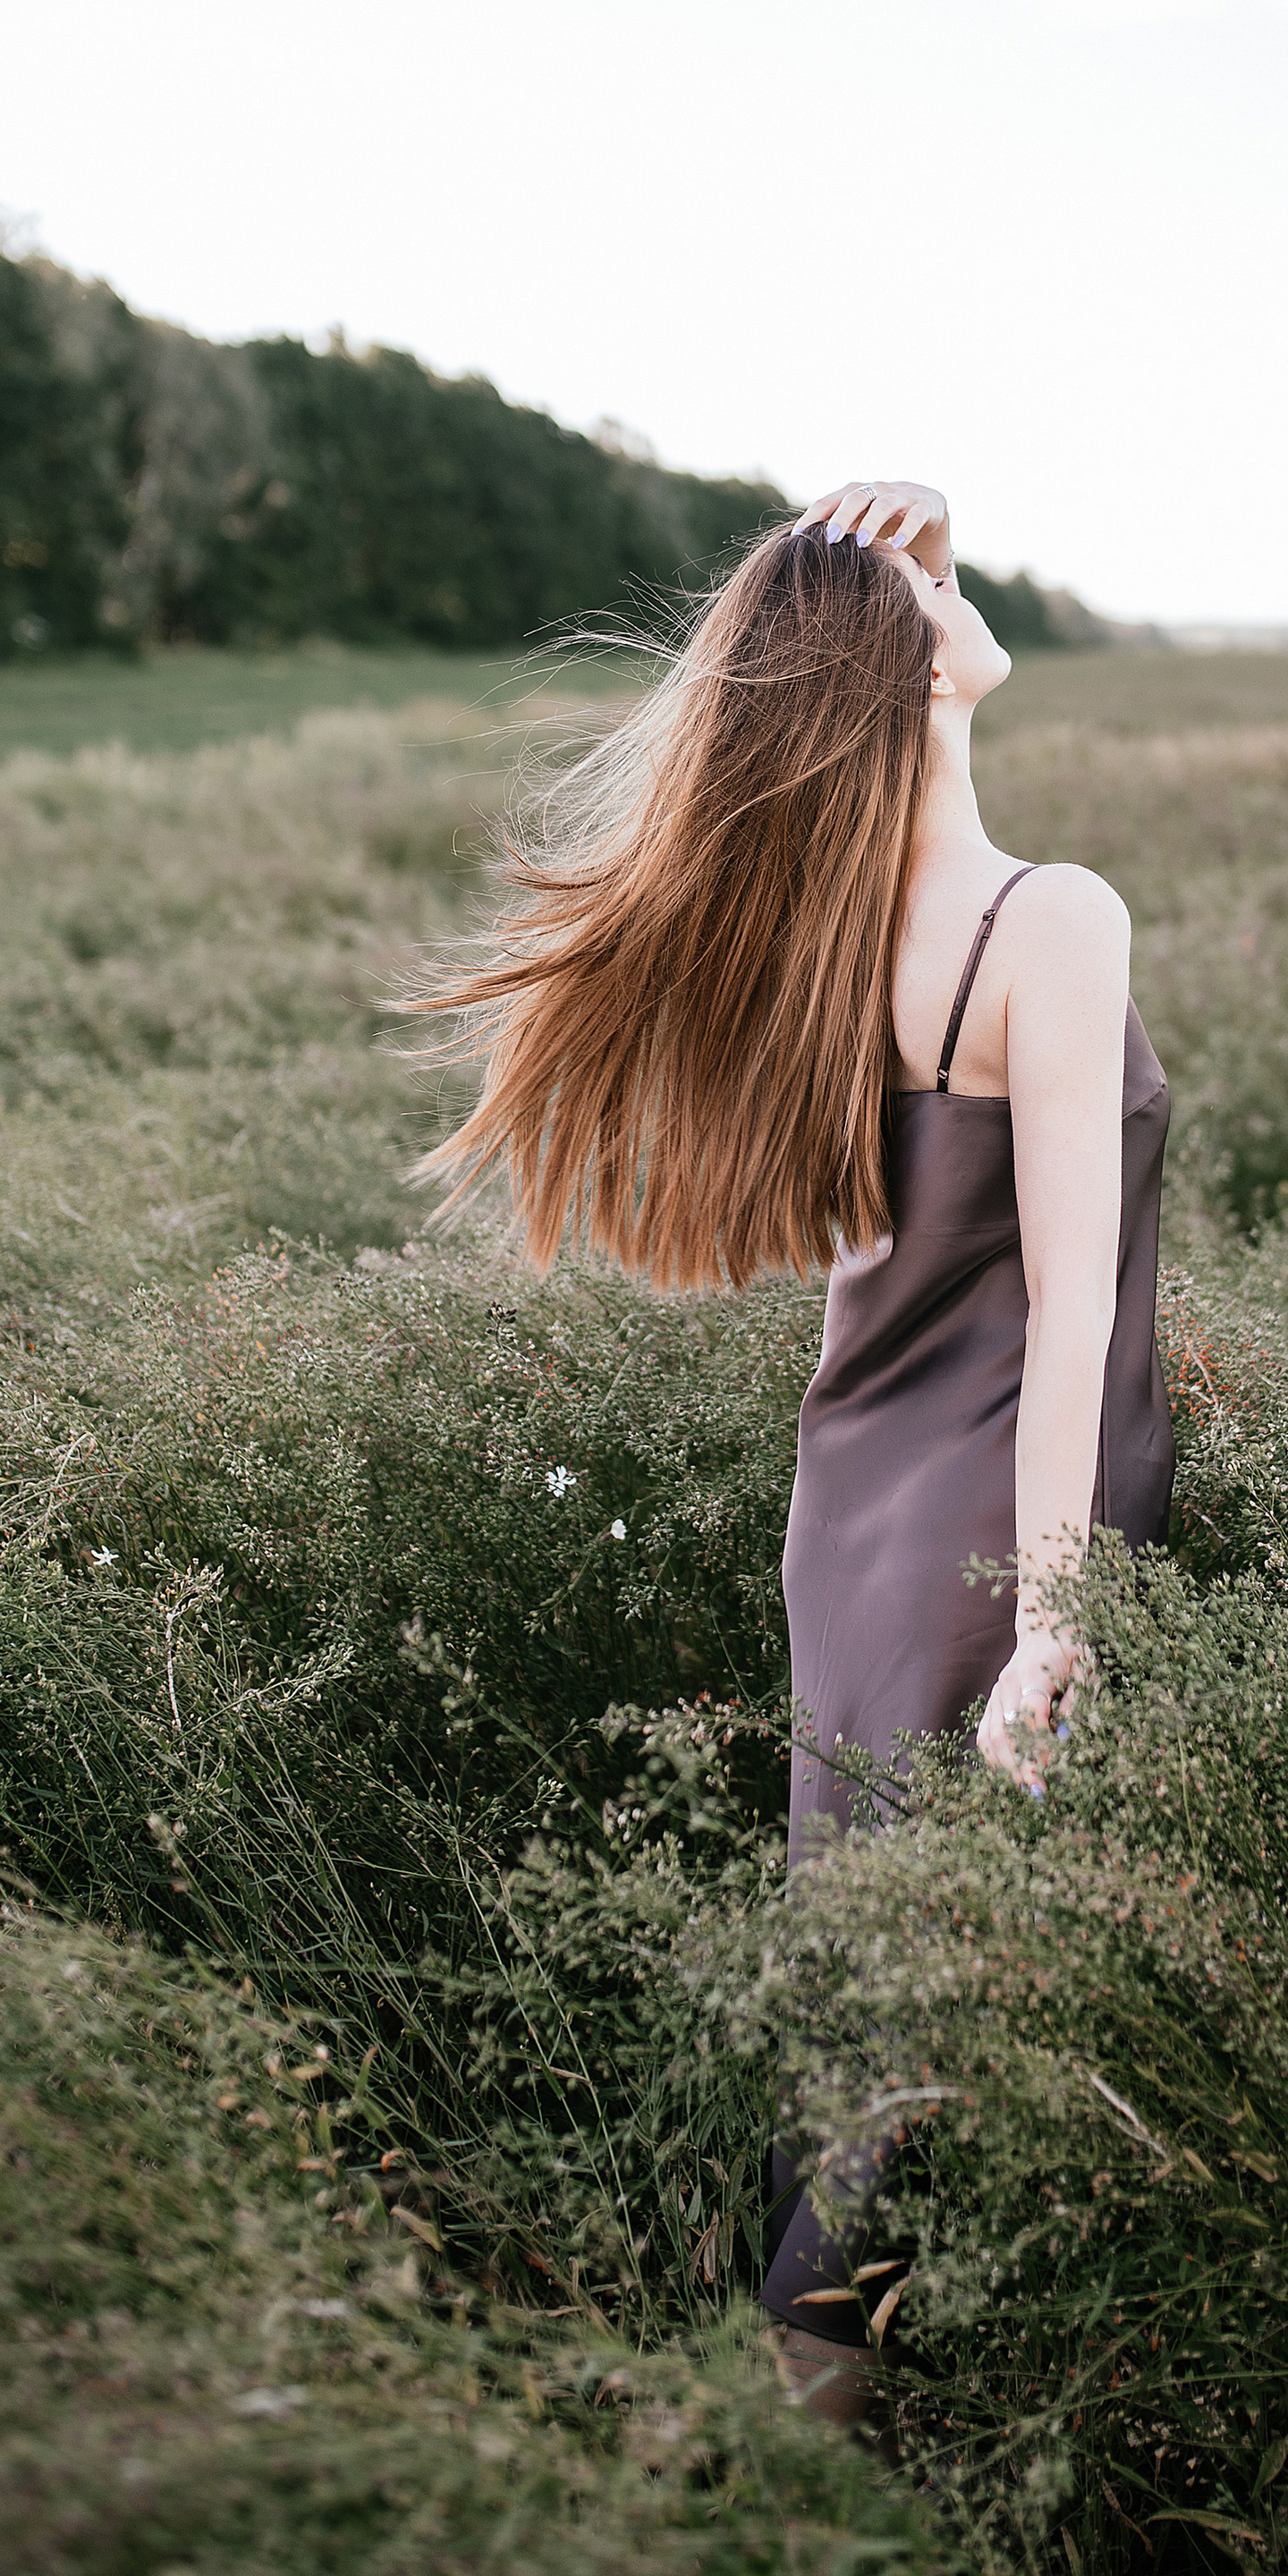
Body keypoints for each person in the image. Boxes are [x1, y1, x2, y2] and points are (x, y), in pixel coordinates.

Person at [402, 477, 1174, 2422]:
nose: (950, 587)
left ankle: (835, 2422)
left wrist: (871, 575)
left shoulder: (832, 939)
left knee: (876, 1987)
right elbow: (1063, 1309)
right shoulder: (1045, 921)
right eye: (922, 589)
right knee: (906, 2036)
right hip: (998, 1538)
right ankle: (805, 2474)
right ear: (907, 675)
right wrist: (1051, 1621)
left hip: (856, 1521)